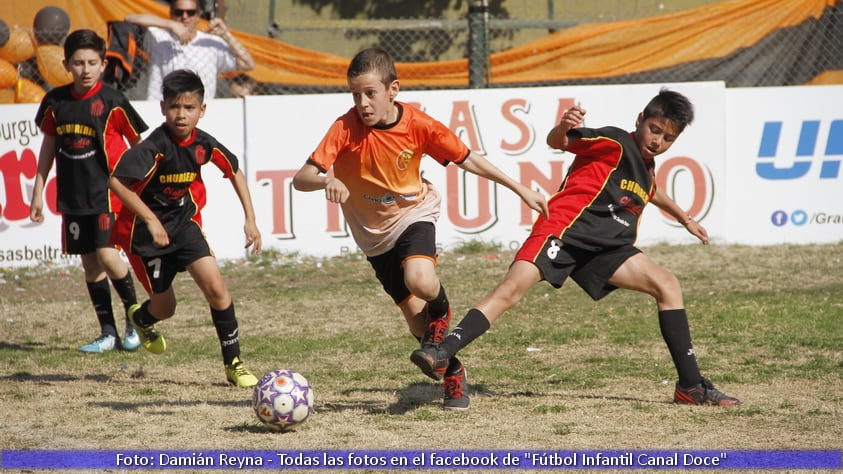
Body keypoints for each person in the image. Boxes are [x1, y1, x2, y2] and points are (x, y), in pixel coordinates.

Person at [411, 89, 741, 406]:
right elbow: (559, 142)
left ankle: (690, 385)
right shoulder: (615, 142)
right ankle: (442, 351)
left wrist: (685, 219)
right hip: (564, 231)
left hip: (605, 248)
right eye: (654, 130)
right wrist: (564, 126)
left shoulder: (647, 167)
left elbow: (652, 191)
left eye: (668, 138)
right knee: (510, 291)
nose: (658, 140)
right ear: (640, 119)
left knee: (667, 285)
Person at [292, 47, 548, 410]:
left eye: (370, 93)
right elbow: (301, 179)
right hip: (373, 237)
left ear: (393, 89)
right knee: (417, 325)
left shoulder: (418, 125)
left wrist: (520, 188)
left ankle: (442, 309)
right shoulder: (345, 127)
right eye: (355, 94)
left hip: (414, 213)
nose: (362, 103)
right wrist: (325, 182)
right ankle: (454, 371)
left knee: (420, 280)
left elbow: (468, 158)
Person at [108, 69, 262, 387]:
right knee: (166, 308)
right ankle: (141, 318)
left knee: (217, 289)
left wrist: (250, 219)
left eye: (189, 108)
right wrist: (150, 219)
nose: (181, 114)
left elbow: (233, 170)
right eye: (175, 107)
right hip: (147, 236)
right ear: (163, 107)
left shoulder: (203, 144)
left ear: (201, 110)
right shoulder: (154, 146)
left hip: (185, 226)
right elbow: (117, 182)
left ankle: (234, 364)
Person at [30, 29, 148, 354]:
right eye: (78, 63)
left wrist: (137, 182)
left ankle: (135, 320)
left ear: (103, 63)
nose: (85, 69)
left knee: (108, 256)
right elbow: (49, 146)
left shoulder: (112, 101)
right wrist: (38, 191)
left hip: (108, 195)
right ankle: (107, 333)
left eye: (92, 62)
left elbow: (140, 143)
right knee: (90, 264)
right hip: (73, 195)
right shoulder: (56, 102)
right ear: (66, 64)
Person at [125, 0, 255, 101]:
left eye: (190, 12)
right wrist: (171, 24)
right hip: (162, 108)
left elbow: (248, 64)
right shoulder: (158, 37)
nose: (184, 17)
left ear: (198, 16)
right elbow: (129, 18)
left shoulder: (210, 43)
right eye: (179, 12)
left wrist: (226, 35)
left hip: (201, 111)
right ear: (171, 13)